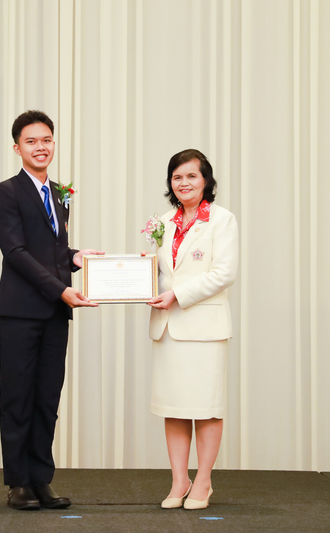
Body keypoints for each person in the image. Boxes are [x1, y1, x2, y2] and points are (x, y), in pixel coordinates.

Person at [0, 110, 103, 510]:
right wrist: (61, 290)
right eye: (32, 141)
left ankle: (41, 480)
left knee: (47, 400)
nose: (41, 147)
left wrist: (76, 256)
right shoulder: (6, 192)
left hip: (55, 314)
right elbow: (16, 252)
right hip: (20, 314)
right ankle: (18, 483)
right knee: (17, 399)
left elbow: (51, 249)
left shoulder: (61, 193)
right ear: (17, 147)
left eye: (47, 140)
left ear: (54, 143)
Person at [147, 149, 239, 510]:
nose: (183, 183)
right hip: (168, 329)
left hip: (204, 328)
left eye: (191, 176)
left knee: (206, 406)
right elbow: (157, 272)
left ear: (206, 181)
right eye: (177, 177)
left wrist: (177, 295)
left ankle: (203, 481)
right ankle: (178, 481)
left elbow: (224, 273)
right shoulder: (163, 223)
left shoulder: (222, 220)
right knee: (174, 406)